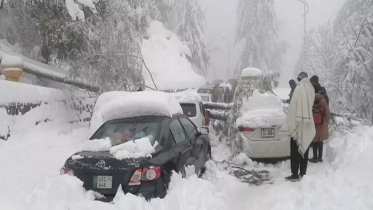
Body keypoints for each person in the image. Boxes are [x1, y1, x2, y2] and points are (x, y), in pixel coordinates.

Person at [285, 72, 316, 181]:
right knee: (305, 147)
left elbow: (293, 107)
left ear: (300, 79)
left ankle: (294, 174)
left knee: (294, 149)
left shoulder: (299, 89)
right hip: (308, 123)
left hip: (297, 124)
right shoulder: (311, 89)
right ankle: (303, 173)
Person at [309, 83, 331, 163]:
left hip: (313, 123)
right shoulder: (323, 100)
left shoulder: (310, 99)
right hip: (322, 123)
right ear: (319, 90)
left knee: (314, 140)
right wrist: (328, 120)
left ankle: (314, 157)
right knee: (320, 140)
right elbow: (327, 112)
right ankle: (320, 157)